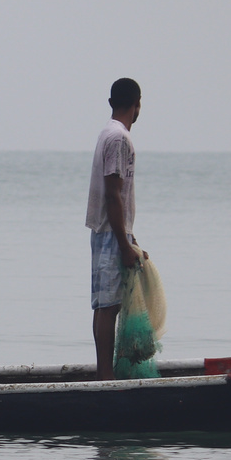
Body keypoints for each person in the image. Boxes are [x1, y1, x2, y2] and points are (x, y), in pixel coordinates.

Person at [88, 78, 150, 381]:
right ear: (136, 104)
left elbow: (117, 197)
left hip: (111, 231)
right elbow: (113, 194)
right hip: (110, 233)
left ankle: (104, 374)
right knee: (108, 306)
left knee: (105, 305)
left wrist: (131, 239)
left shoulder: (108, 134)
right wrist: (123, 245)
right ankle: (105, 376)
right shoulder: (118, 139)